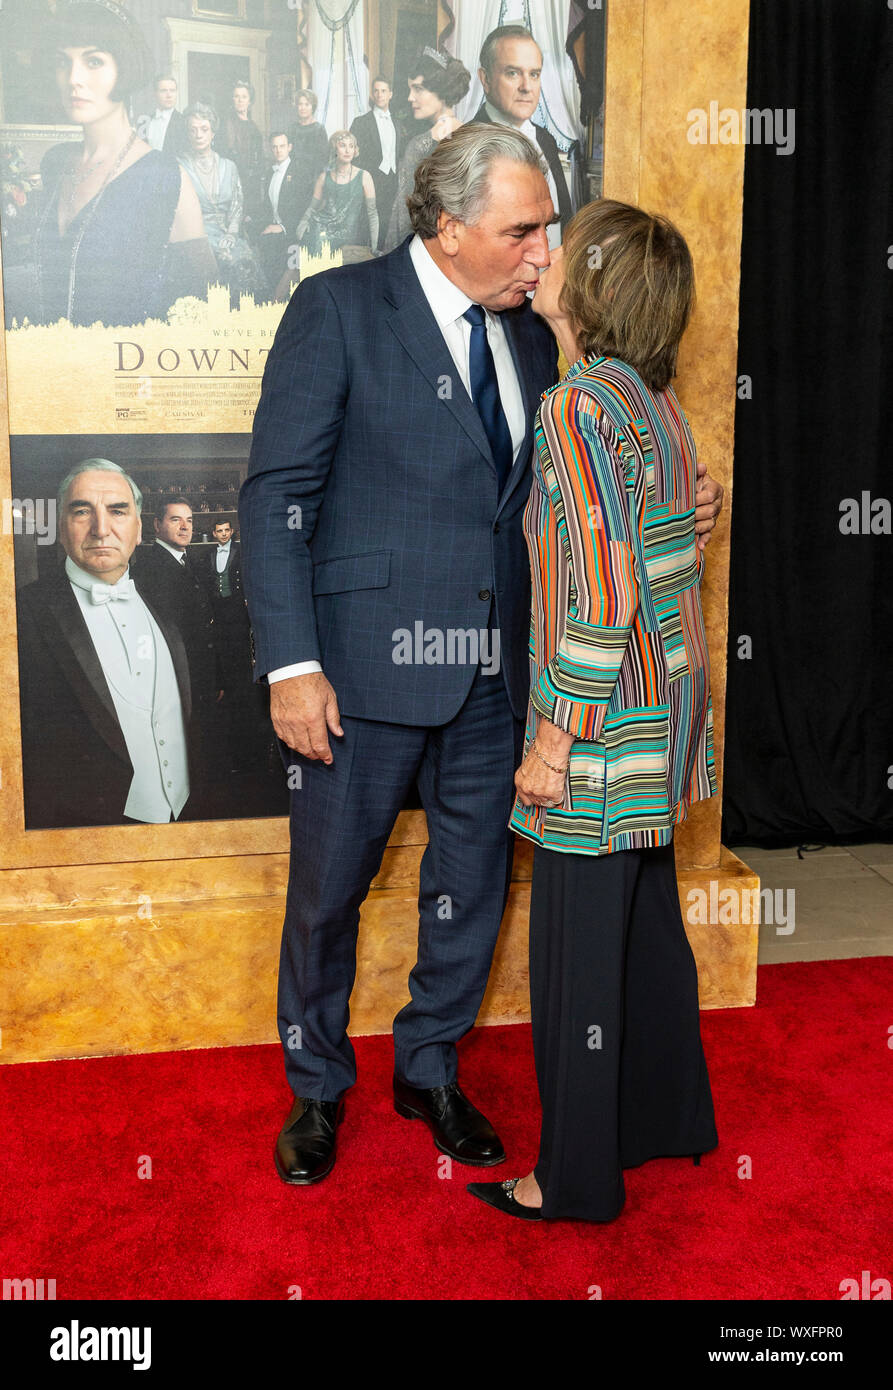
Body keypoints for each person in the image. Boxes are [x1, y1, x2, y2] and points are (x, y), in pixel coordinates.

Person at [238, 124, 724, 1188]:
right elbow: (276, 498)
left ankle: (429, 1068)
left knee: (468, 889)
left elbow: (575, 499)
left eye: (548, 227)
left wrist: (676, 501)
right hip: (358, 671)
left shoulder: (536, 335)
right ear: (446, 224)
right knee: (327, 893)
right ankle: (315, 1085)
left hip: (499, 676)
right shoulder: (337, 307)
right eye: (521, 230)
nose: (543, 252)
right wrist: (290, 665)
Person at [467, 201, 720, 1224]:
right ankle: (662, 1117)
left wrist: (552, 738)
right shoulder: (649, 399)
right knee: (644, 923)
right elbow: (668, 551)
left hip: (605, 721)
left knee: (574, 948)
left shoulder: (576, 408)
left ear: (596, 282)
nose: (540, 255)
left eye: (558, 247)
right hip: (669, 701)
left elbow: (598, 588)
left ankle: (566, 1179)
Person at [16, 461, 193, 829]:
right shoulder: (19, 614)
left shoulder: (170, 598)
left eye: (118, 511)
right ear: (60, 527)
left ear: (140, 527)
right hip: (85, 830)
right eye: (82, 511)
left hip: (188, 816)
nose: (101, 529)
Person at [18, 0, 213, 328]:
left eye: (93, 61)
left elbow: (202, 302)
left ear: (125, 67)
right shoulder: (56, 163)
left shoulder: (165, 176)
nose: (73, 79)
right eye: (62, 62)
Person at [471, 24, 574, 246]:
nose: (527, 86)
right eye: (513, 73)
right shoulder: (466, 144)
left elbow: (563, 221)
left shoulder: (545, 138)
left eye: (534, 74)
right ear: (485, 79)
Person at [382, 48, 471, 252]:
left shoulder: (419, 146)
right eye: (410, 89)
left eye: (418, 89)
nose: (410, 97)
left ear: (441, 91)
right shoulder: (471, 136)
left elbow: (402, 219)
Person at [179, 102, 261, 297]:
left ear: (213, 133)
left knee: (245, 258)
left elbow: (236, 204)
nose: (198, 135)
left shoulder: (229, 166)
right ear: (187, 134)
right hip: (197, 234)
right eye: (193, 130)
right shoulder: (180, 166)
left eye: (204, 129)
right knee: (225, 261)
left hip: (227, 232)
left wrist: (232, 234)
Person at [296, 131, 378, 259]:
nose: (347, 150)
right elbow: (313, 207)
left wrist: (374, 245)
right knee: (315, 247)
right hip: (322, 229)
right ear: (335, 148)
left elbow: (372, 213)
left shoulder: (364, 176)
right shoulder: (323, 177)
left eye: (351, 146)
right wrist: (304, 221)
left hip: (349, 235)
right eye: (342, 145)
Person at [350, 77, 405, 251]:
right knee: (368, 224)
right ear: (372, 94)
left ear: (390, 94)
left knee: (387, 222)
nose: (379, 94)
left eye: (383, 91)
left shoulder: (397, 123)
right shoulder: (361, 122)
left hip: (391, 180)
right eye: (376, 91)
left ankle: (381, 255)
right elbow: (354, 156)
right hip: (370, 180)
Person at [256, 132, 304, 293]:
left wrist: (282, 227)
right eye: (274, 147)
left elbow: (302, 207)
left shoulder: (298, 171)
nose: (278, 150)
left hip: (292, 231)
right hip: (274, 228)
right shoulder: (270, 172)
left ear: (289, 147)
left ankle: (278, 301)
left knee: (289, 264)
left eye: (282, 146)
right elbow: (267, 206)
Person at [218, 79, 265, 229]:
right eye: (236, 96)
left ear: (250, 101)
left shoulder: (252, 125)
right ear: (232, 99)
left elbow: (258, 154)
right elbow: (224, 154)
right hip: (234, 178)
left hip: (252, 181)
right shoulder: (227, 124)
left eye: (244, 97)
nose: (240, 100)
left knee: (249, 218)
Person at [286, 89, 330, 228]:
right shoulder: (292, 128)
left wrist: (318, 184)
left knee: (309, 219)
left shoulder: (319, 129)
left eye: (307, 104)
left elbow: (323, 161)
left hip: (312, 181)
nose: (303, 108)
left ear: (313, 107)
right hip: (294, 180)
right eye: (300, 104)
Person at [138, 74, 187, 158]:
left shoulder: (184, 121)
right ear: (155, 94)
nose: (169, 95)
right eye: (163, 91)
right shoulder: (144, 122)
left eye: (172, 90)